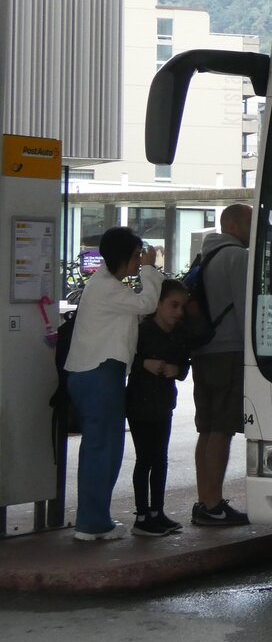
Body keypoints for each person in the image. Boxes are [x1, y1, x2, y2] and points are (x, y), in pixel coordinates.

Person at [64, 227, 164, 541]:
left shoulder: (107, 286)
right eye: (136, 255)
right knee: (102, 449)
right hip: (99, 374)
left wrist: (145, 268)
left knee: (104, 448)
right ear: (124, 256)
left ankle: (95, 520)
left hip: (97, 373)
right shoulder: (107, 288)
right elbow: (148, 303)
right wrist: (150, 269)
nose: (139, 261)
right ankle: (91, 524)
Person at [191, 204, 252, 526]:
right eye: (249, 222)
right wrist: (255, 352)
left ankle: (205, 500)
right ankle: (214, 505)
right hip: (228, 352)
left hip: (203, 351)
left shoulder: (205, 256)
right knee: (222, 430)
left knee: (207, 429)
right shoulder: (237, 257)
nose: (253, 228)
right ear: (232, 224)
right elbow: (245, 311)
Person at [126, 279, 191, 537]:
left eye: (182, 307)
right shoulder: (142, 331)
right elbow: (128, 358)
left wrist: (177, 370)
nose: (178, 312)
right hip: (140, 403)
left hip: (163, 402)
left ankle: (157, 511)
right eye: (174, 305)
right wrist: (145, 364)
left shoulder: (179, 334)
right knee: (145, 458)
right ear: (158, 304)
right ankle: (142, 516)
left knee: (160, 458)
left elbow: (184, 366)